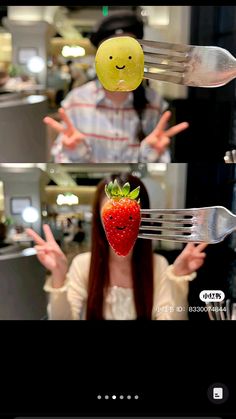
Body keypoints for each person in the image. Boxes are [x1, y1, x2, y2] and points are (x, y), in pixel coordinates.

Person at [26, 174, 207, 320]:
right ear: (99, 220)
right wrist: (59, 276)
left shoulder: (157, 265)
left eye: (130, 217)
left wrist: (179, 277)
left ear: (142, 219)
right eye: (111, 218)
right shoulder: (83, 265)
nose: (121, 225)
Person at [44, 10, 189, 163]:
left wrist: (153, 153)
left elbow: (156, 161)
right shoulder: (76, 100)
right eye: (111, 54)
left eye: (128, 53)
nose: (120, 61)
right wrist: (75, 150)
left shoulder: (153, 102)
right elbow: (62, 156)